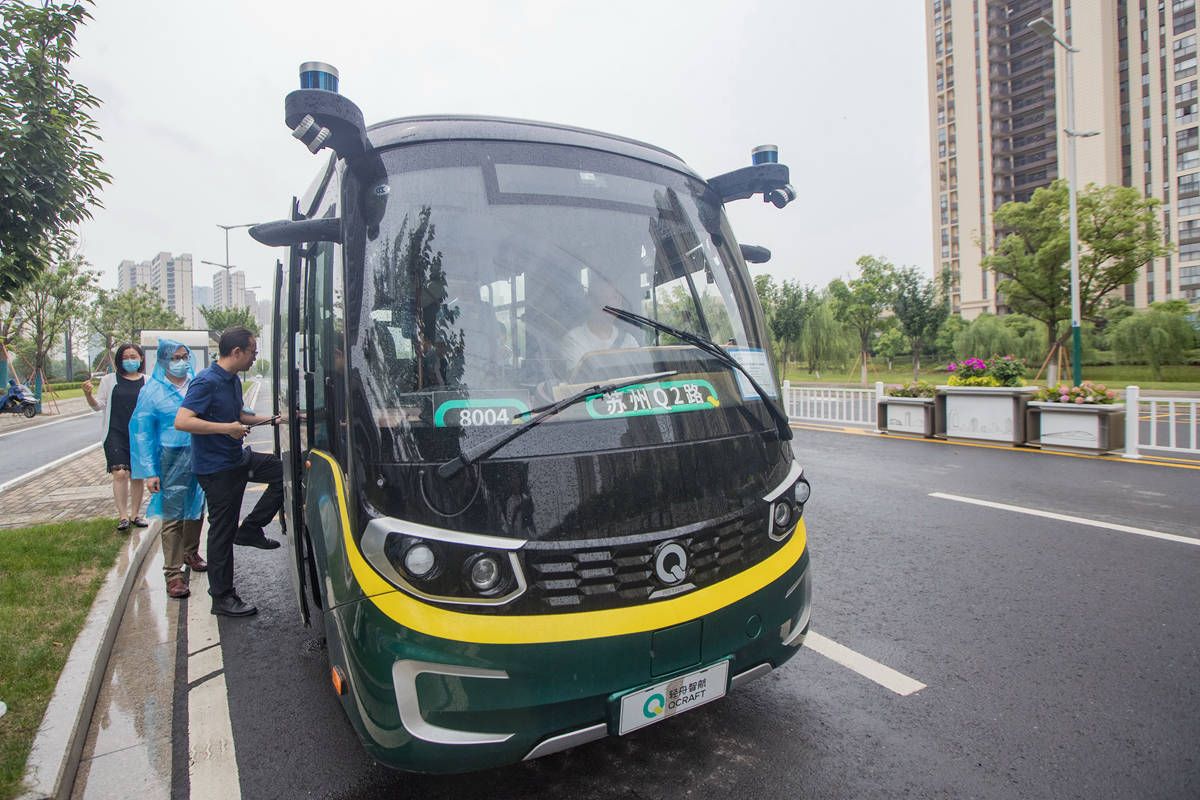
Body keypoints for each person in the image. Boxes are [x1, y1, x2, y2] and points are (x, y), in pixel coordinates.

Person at [174, 327, 282, 618]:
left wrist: (275, 420)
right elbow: (183, 421)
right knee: (221, 533)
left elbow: (240, 416)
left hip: (237, 458)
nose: (254, 358)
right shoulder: (206, 381)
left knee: (282, 473)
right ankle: (221, 597)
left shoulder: (232, 380)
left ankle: (250, 529)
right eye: (253, 353)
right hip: (216, 469)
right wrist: (227, 429)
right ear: (237, 352)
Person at [130, 339, 208, 599]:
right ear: (163, 361)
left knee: (196, 509)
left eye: (184, 356)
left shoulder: (197, 384)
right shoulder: (152, 391)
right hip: (170, 456)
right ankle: (173, 573)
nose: (181, 362)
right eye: (175, 358)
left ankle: (191, 551)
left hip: (198, 451)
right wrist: (150, 471)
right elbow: (142, 433)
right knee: (173, 515)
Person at [82, 344, 149, 531]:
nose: (130, 360)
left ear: (141, 358)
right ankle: (123, 516)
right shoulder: (109, 380)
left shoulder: (148, 381)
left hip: (139, 434)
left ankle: (136, 514)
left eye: (133, 356)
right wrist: (88, 395)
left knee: (137, 475)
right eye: (125, 357)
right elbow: (98, 406)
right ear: (119, 360)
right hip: (115, 432)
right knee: (120, 473)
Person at [559, 274, 638, 368]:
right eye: (604, 296)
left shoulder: (628, 341)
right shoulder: (574, 340)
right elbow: (578, 379)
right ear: (590, 302)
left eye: (615, 297)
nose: (611, 303)